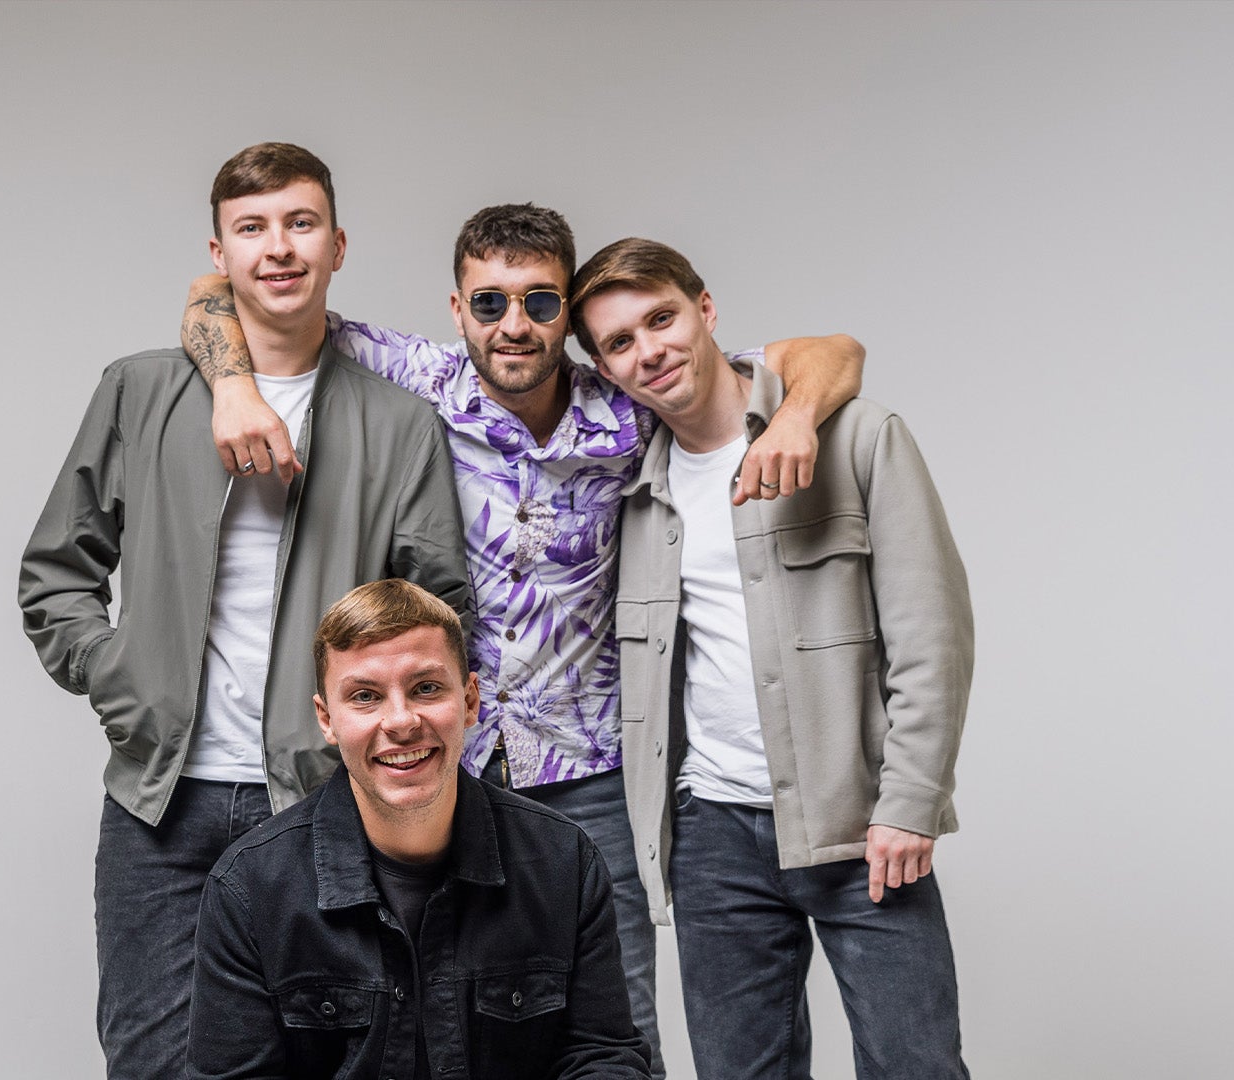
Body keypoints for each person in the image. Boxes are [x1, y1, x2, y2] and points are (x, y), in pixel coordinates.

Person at [180, 204, 863, 1076]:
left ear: (567, 311)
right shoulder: (422, 377)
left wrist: (796, 416)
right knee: (428, 1008)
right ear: (458, 308)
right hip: (440, 761)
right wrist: (234, 388)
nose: (513, 324)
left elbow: (831, 351)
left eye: (540, 303)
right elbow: (224, 293)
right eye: (489, 302)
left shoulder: (626, 399)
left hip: (589, 768)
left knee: (618, 1029)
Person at [17, 142, 474, 1079]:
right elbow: (56, 570)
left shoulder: (399, 424)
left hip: (326, 800)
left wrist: (384, 727)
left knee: (336, 1061)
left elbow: (440, 608)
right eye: (252, 228)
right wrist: (119, 678)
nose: (279, 248)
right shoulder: (140, 390)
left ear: (337, 245)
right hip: (160, 802)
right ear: (218, 253)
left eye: (301, 224)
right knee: (154, 1062)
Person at [573, 237, 974, 1079]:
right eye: (620, 342)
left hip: (859, 823)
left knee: (916, 1067)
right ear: (606, 368)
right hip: (712, 836)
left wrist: (910, 802)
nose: (649, 351)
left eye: (661, 319)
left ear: (705, 309)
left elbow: (932, 635)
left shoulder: (857, 437)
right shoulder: (632, 493)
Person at [188, 579, 651, 1080]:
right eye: (365, 696)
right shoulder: (250, 889)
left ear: (470, 700)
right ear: (327, 719)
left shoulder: (564, 861)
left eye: (426, 688)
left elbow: (602, 1056)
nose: (401, 721)